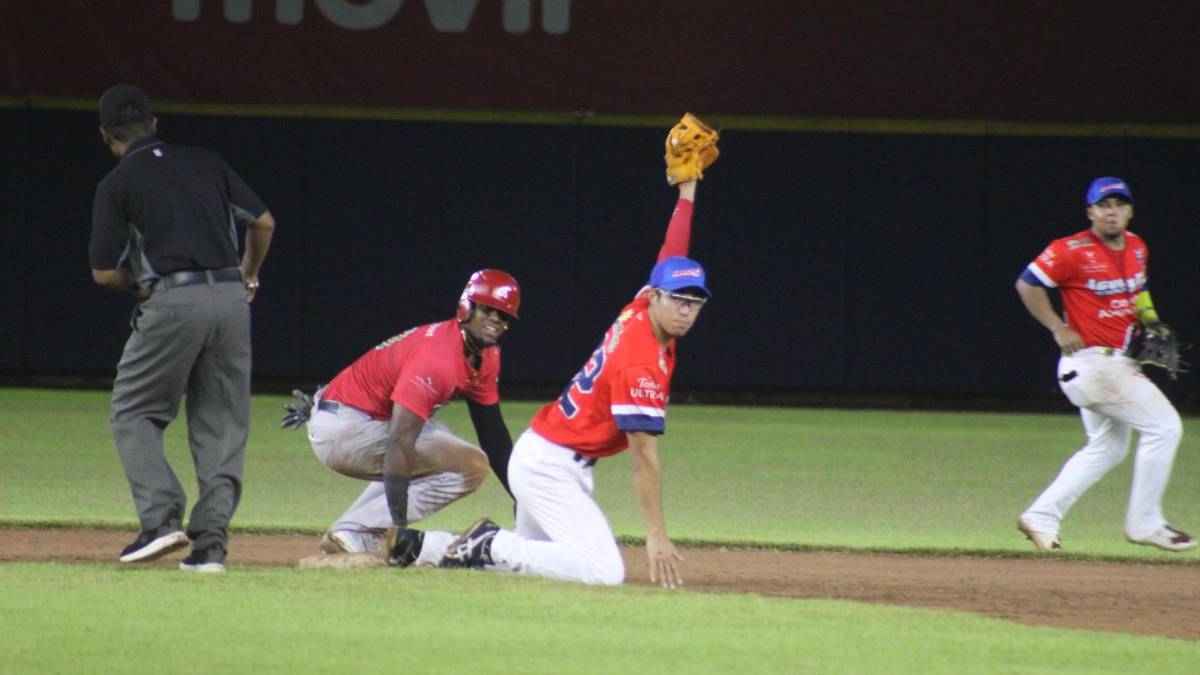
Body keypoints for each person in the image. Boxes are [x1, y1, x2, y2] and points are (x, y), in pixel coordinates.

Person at [438, 176, 712, 587]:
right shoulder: (640, 365)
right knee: (604, 571)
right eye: (678, 299)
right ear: (656, 295)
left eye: (694, 302)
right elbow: (643, 458)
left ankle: (421, 547)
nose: (685, 310)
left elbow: (672, 254)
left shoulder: (641, 309)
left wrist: (687, 193)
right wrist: (656, 534)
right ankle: (490, 542)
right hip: (551, 469)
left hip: (543, 454)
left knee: (530, 568)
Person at [89, 84, 276, 573]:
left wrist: (136, 284)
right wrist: (248, 273)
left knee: (134, 411)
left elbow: (104, 272)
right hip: (231, 300)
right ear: (154, 124)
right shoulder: (206, 162)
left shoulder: (117, 183)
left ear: (106, 135)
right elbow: (263, 222)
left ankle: (160, 520)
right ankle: (210, 546)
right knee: (222, 424)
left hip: (173, 298)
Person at [283, 270, 521, 566]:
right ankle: (361, 529)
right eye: (487, 309)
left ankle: (351, 531)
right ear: (467, 307)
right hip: (346, 428)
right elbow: (399, 441)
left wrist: (521, 496)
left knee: (457, 453)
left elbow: (493, 435)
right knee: (462, 463)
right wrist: (399, 527)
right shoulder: (438, 358)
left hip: (351, 418)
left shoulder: (486, 355)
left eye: (503, 315)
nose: (495, 319)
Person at [1014, 176, 1195, 553]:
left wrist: (1151, 318)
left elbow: (1139, 289)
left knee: (1108, 447)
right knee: (1165, 427)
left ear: (1130, 211)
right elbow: (1027, 284)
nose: (1111, 211)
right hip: (1094, 365)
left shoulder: (1137, 247)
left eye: (1119, 204)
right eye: (1103, 205)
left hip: (1115, 365)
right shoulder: (1070, 249)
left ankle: (1041, 515)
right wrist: (1057, 327)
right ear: (1090, 212)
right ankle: (1145, 522)